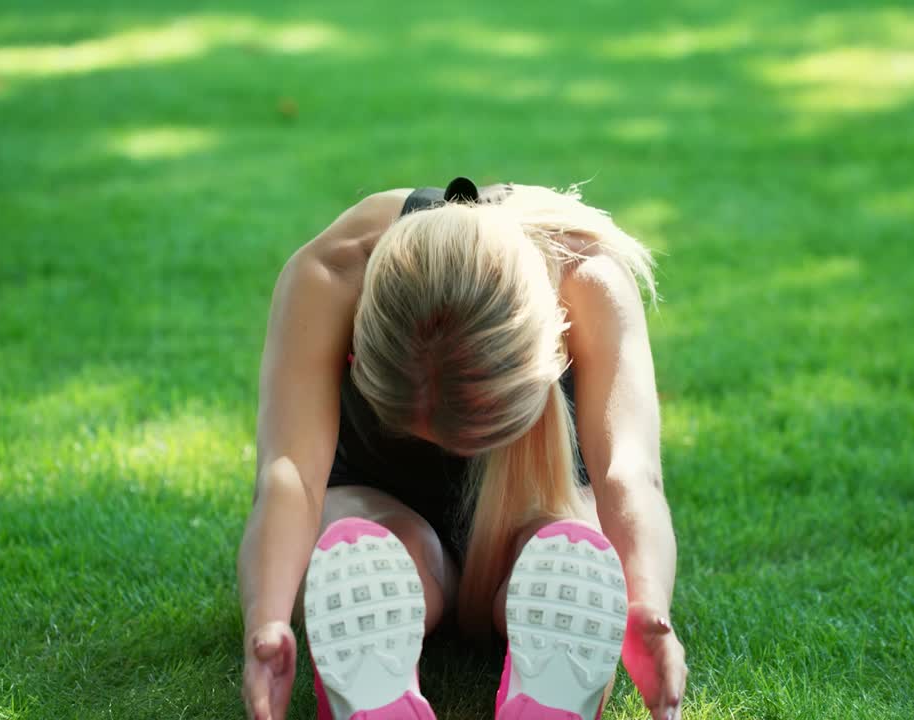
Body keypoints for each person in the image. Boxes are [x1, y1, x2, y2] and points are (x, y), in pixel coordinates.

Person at [238, 178, 686, 720]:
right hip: (380, 492)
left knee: (573, 550)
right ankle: (385, 621)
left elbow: (627, 472)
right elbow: (292, 474)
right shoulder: (331, 274)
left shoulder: (587, 278)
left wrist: (643, 602)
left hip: (544, 503)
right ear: (361, 346)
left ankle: (543, 624)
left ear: (549, 350)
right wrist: (267, 619)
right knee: (351, 541)